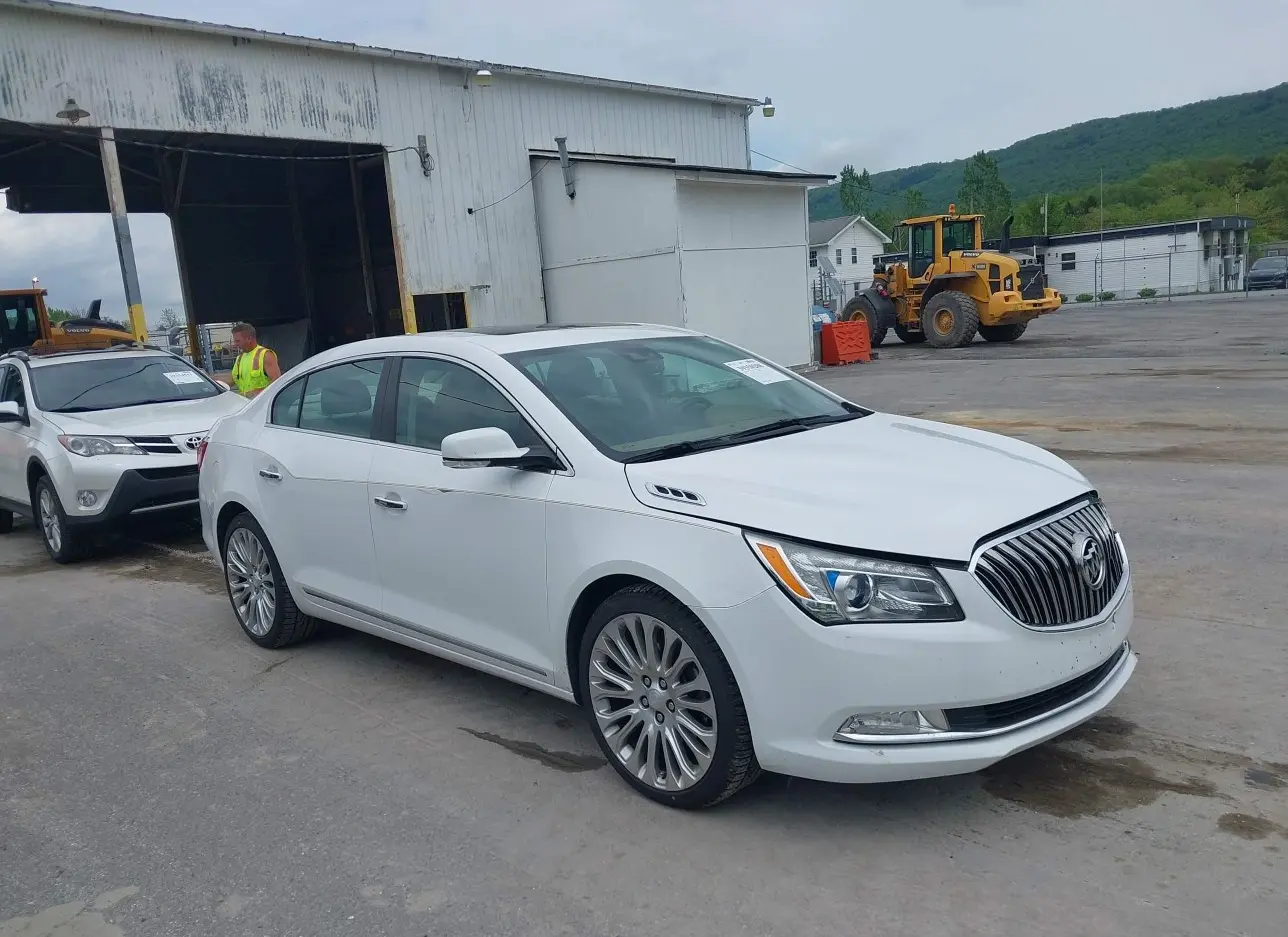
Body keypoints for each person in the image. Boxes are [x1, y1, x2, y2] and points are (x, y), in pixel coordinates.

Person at [229, 322, 281, 398]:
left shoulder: (266, 355)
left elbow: (277, 381)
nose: (235, 344)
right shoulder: (240, 358)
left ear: (249, 339)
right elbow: (233, 379)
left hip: (263, 403)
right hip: (246, 404)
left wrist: (258, 393)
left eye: (237, 341)